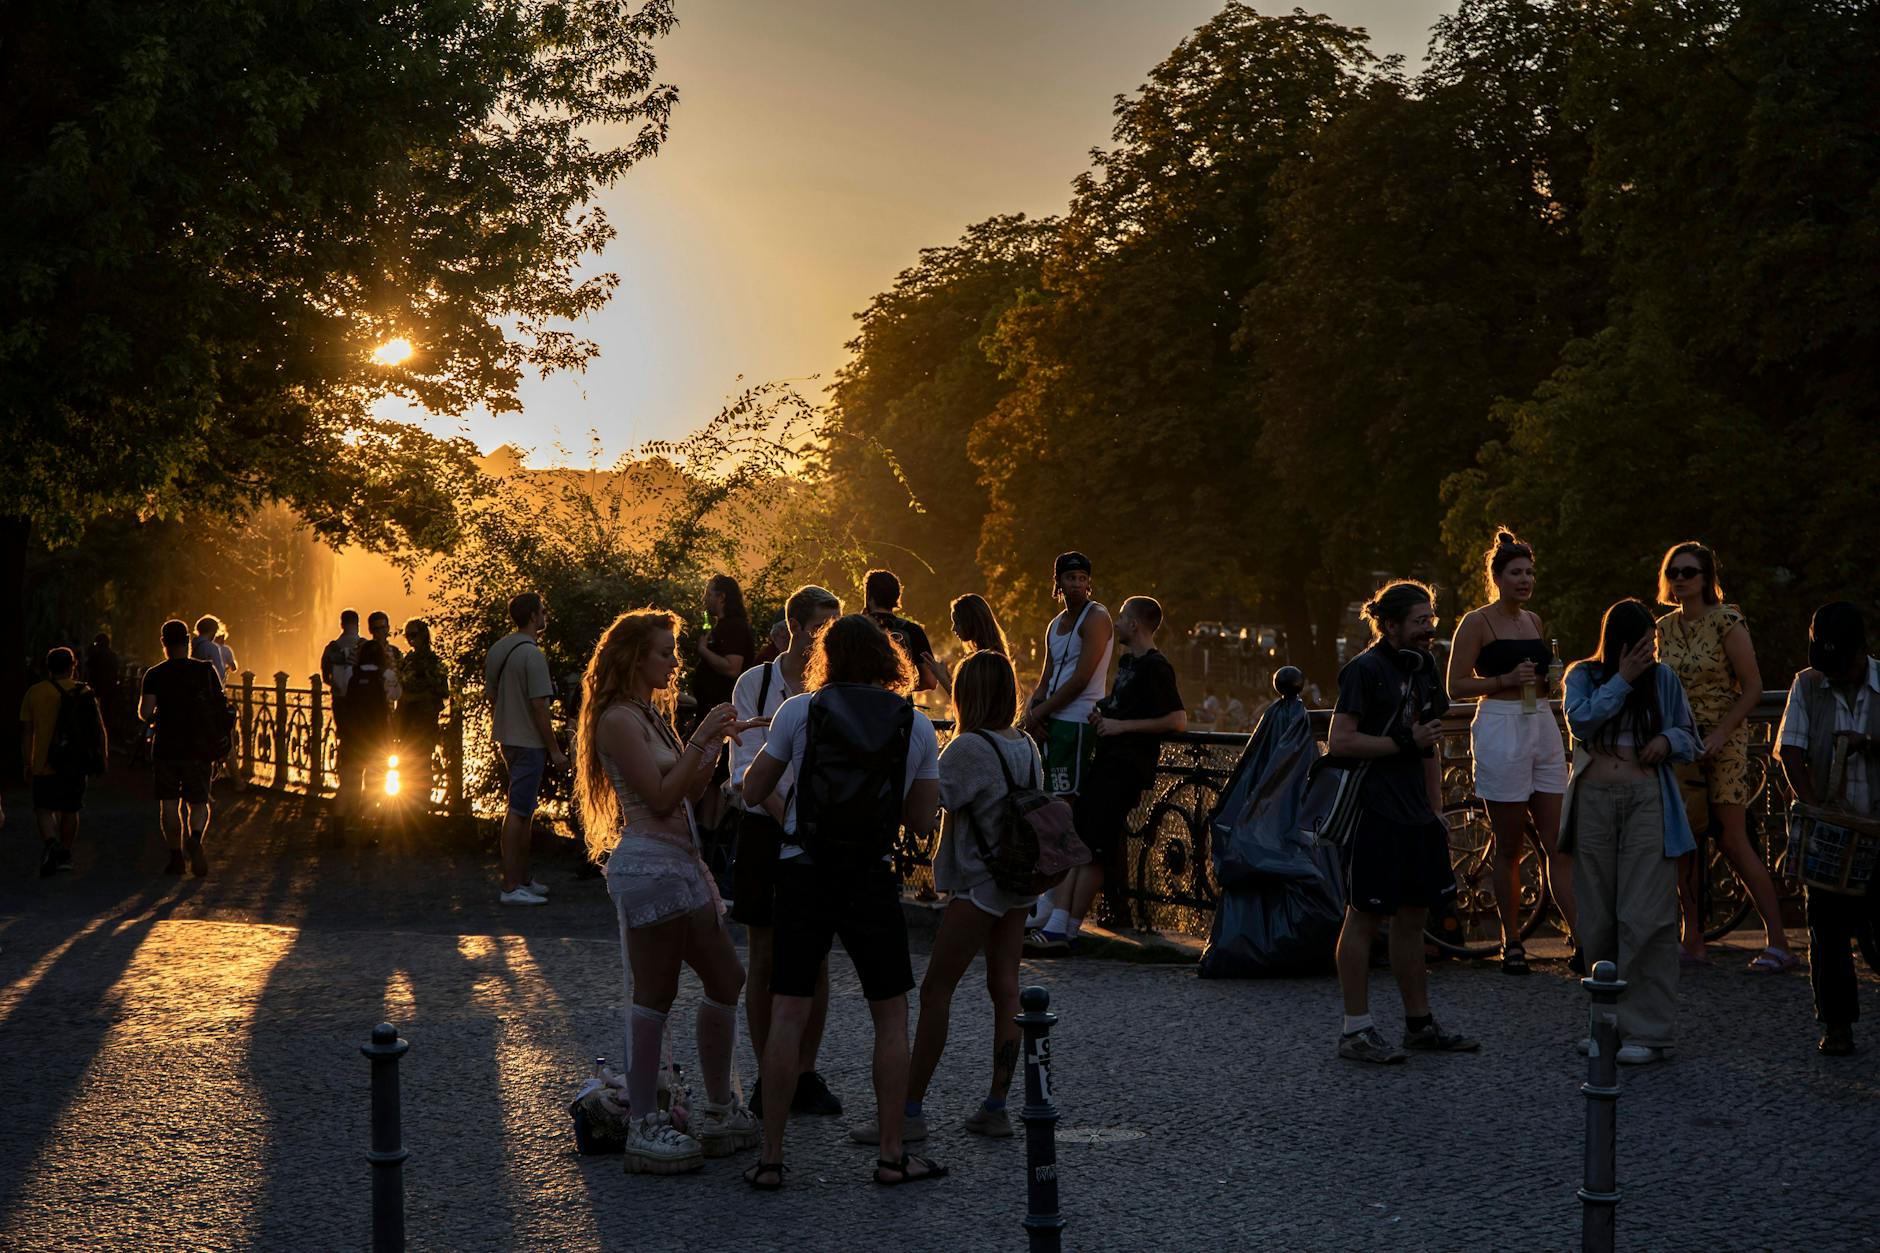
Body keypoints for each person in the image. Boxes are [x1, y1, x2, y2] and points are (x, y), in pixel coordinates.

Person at [739, 614, 944, 1189]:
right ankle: (890, 1155)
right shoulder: (916, 724)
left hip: (803, 871)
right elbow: (921, 820)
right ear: (887, 659)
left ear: (824, 656)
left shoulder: (798, 711)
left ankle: (772, 1158)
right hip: (869, 877)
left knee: (787, 1012)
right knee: (890, 1015)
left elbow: (754, 791)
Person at [574, 608, 760, 1173]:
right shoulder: (616, 720)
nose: (674, 660)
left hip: (682, 863)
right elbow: (658, 796)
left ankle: (719, 1110)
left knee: (727, 978)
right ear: (634, 657)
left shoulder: (647, 714)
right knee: (653, 996)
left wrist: (715, 747)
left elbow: (687, 788)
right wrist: (702, 736)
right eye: (664, 651)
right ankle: (643, 1128)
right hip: (650, 867)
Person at [1328, 581, 1479, 1063]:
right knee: (1364, 916)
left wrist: (1435, 811)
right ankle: (1356, 1031)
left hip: (1416, 814)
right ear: (1390, 625)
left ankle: (1419, 1024)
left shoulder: (1425, 667)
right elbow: (1342, 742)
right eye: (1420, 622)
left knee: (1414, 919)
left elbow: (1429, 741)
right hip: (1374, 811)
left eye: (1432, 620)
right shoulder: (1363, 670)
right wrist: (1401, 744)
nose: (1429, 630)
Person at [907, 649, 1045, 1140]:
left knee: (935, 991)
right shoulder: (1025, 744)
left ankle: (910, 1112)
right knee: (1004, 987)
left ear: (967, 695)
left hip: (979, 884)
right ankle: (996, 1105)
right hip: (1017, 883)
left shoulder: (967, 749)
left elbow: (930, 802)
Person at [1562, 599, 1703, 1065]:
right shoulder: (1583, 675)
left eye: (1652, 643)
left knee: (1645, 917)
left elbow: (1689, 735)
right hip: (1594, 804)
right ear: (1619, 644)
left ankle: (1648, 1029)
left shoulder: (1663, 680)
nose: (1650, 651)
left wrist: (1666, 740)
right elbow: (1581, 721)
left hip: (1646, 803)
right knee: (1598, 918)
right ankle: (1605, 1025)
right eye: (1641, 644)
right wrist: (1621, 679)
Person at [728, 584, 845, 1119]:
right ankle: (764, 1072)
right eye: (821, 627)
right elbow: (747, 771)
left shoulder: (834, 686)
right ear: (794, 627)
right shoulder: (755, 685)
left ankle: (804, 1071)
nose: (827, 639)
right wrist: (791, 822)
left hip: (817, 830)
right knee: (766, 955)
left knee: (816, 958)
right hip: (767, 829)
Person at [1654, 542, 1795, 972]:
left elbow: (1752, 687)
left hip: (1724, 741)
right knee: (1685, 844)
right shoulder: (1662, 628)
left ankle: (1779, 941)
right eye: (1674, 572)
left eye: (1689, 572)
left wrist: (1719, 734)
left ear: (1707, 577)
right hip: (1680, 743)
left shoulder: (1727, 621)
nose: (1680, 579)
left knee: (1733, 839)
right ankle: (1691, 939)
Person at [1445, 530, 1575, 975]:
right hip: (1501, 726)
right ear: (1497, 578)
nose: (1525, 580)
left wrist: (1547, 681)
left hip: (1541, 721)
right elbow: (1456, 686)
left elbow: (1538, 677)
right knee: (1510, 844)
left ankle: (1581, 937)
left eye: (1529, 573)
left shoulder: (1535, 621)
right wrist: (1502, 681)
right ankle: (1512, 941)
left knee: (1559, 841)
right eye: (1516, 573)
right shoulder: (1477, 622)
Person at [1027, 596, 1185, 954]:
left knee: (1093, 849)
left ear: (1136, 625)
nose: (1115, 624)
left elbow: (1178, 720)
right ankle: (1059, 926)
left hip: (1125, 768)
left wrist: (1120, 726)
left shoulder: (1156, 667)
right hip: (1107, 762)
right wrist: (1102, 715)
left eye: (1122, 618)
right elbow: (1118, 708)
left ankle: (1063, 930)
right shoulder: (1129, 662)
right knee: (1082, 842)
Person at [1776, 603, 1880, 1056]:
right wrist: (1814, 806)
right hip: (1829, 831)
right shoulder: (1808, 683)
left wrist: (1870, 745)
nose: (1833, 675)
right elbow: (1790, 750)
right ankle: (1837, 1025)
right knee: (1826, 929)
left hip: (1878, 830)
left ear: (1864, 653)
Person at [484, 593, 567, 905]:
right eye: (543, 611)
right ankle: (510, 887)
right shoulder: (533, 656)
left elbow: (491, 694)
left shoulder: (499, 649)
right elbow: (540, 708)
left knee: (525, 809)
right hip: (529, 742)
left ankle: (522, 878)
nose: (545, 616)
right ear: (534, 616)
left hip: (508, 738)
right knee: (518, 811)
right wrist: (555, 750)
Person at [1021, 552, 1113, 800]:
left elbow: (1080, 680)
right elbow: (1045, 679)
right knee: (1046, 796)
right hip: (1050, 721)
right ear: (1058, 582)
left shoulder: (1097, 617)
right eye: (1070, 577)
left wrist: (1039, 713)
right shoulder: (1054, 625)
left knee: (1065, 800)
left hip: (1077, 720)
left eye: (1082, 578)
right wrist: (1031, 714)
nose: (1077, 584)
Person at [140, 619, 224, 876]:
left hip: (166, 746)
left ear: (163, 643)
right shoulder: (206, 670)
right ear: (188, 641)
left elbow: (145, 712)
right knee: (198, 802)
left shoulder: (154, 674)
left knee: (168, 803)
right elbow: (219, 707)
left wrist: (156, 717)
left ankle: (175, 857)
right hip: (198, 746)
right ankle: (195, 839)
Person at [19, 647, 107, 876]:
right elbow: (97, 730)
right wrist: (100, 759)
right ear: (73, 666)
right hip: (74, 763)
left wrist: (27, 762)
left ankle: (50, 843)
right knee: (70, 809)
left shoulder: (34, 693)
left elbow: (28, 732)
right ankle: (66, 853)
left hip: (44, 762)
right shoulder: (84, 691)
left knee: (43, 809)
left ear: (48, 667)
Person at [335, 639, 400, 805]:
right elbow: (396, 695)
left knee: (348, 782)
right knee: (375, 781)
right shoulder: (386, 675)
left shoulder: (349, 673)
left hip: (353, 736)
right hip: (377, 736)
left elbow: (341, 693)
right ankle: (368, 822)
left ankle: (341, 824)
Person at [863, 568, 940, 693]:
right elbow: (930, 681)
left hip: (860, 707)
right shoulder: (912, 630)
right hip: (899, 708)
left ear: (869, 596)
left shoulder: (853, 630)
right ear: (897, 597)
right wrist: (902, 686)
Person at [396, 618, 450, 795]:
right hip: (405, 721)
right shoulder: (407, 661)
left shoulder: (434, 661)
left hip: (424, 723)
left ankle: (421, 804)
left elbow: (443, 691)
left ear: (424, 635)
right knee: (405, 763)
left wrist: (417, 697)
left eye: (414, 635)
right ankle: (406, 803)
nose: (411, 639)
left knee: (422, 763)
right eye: (407, 636)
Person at [925, 593, 1011, 698]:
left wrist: (943, 678)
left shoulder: (987, 661)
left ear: (970, 622)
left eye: (957, 622)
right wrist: (947, 678)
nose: (953, 628)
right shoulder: (994, 657)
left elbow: (968, 706)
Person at [322, 609, 364, 810]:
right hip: (360, 703)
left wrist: (336, 685)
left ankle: (344, 784)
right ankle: (357, 788)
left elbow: (324, 676)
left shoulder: (332, 648)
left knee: (344, 740)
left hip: (340, 700)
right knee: (361, 743)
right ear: (357, 624)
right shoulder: (364, 646)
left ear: (341, 624)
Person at [86, 633, 124, 741]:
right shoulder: (113, 655)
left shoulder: (95, 655)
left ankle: (96, 735)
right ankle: (107, 735)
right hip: (110, 689)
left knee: (96, 713)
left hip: (96, 689)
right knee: (108, 714)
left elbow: (89, 670)